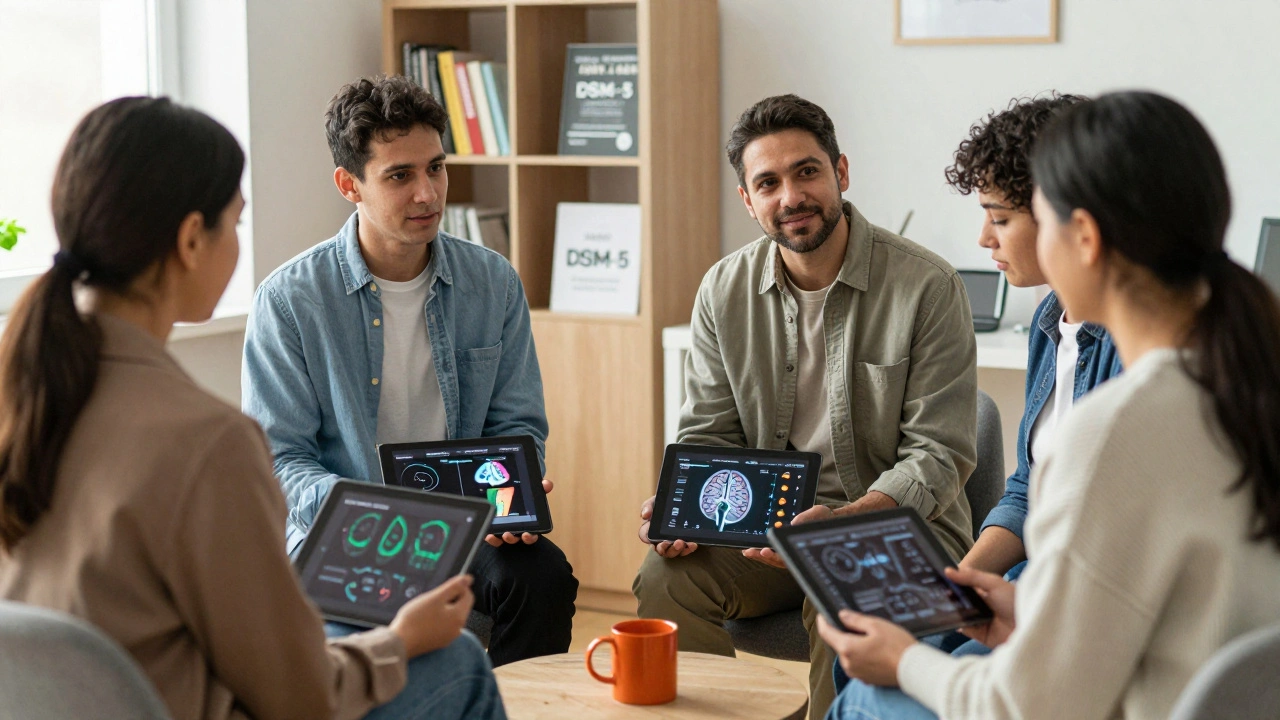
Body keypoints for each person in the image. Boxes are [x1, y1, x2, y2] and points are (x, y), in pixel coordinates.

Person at [0, 97, 505, 720]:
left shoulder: (23, 398)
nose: (425, 192)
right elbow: (299, 697)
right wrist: (402, 639)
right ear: (191, 239)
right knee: (455, 661)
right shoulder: (206, 442)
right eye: (235, 223)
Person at [819, 90, 1280, 720]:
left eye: (1021, 211)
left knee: (868, 696)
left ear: (1083, 235)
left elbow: (1023, 705)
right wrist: (1029, 610)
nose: (988, 235)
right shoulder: (1241, 374)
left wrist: (901, 660)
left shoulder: (1119, 426)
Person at [632, 94, 979, 718]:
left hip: (896, 531)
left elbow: (939, 454)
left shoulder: (928, 285)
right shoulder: (722, 289)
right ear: (748, 200)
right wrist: (685, 511)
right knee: (665, 578)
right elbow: (709, 436)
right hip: (764, 533)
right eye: (768, 183)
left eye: (807, 172)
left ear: (840, 173)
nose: (790, 196)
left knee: (835, 590)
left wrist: (845, 523)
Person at [241, 75, 577, 666]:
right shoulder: (290, 300)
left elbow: (517, 424)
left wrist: (513, 494)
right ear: (350, 185)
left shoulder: (492, 282)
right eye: (400, 176)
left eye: (436, 168)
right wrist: (379, 509)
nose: (428, 194)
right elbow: (280, 459)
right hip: (346, 529)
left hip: (468, 524)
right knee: (356, 632)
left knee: (542, 574)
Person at [941, 93, 1124, 656]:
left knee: (910, 674)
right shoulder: (1051, 325)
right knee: (885, 644)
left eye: (1000, 218)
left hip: (1082, 597)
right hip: (1035, 576)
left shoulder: (1131, 352)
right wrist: (954, 587)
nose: (983, 239)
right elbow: (1028, 486)